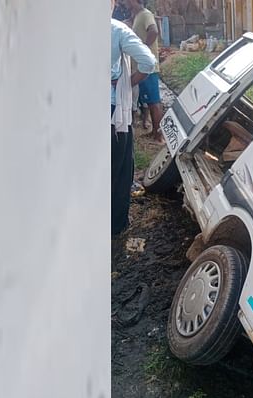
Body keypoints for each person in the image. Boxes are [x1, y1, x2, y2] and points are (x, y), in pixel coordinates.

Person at [112, 0, 157, 237]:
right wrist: (126, 83)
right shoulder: (117, 29)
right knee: (119, 170)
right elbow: (148, 62)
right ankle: (115, 226)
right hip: (112, 111)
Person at [124, 0, 164, 144]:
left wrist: (143, 50)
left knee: (154, 101)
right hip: (142, 67)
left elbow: (154, 31)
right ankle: (154, 132)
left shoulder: (146, 14)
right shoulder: (138, 16)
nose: (125, 2)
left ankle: (158, 136)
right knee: (149, 100)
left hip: (148, 68)